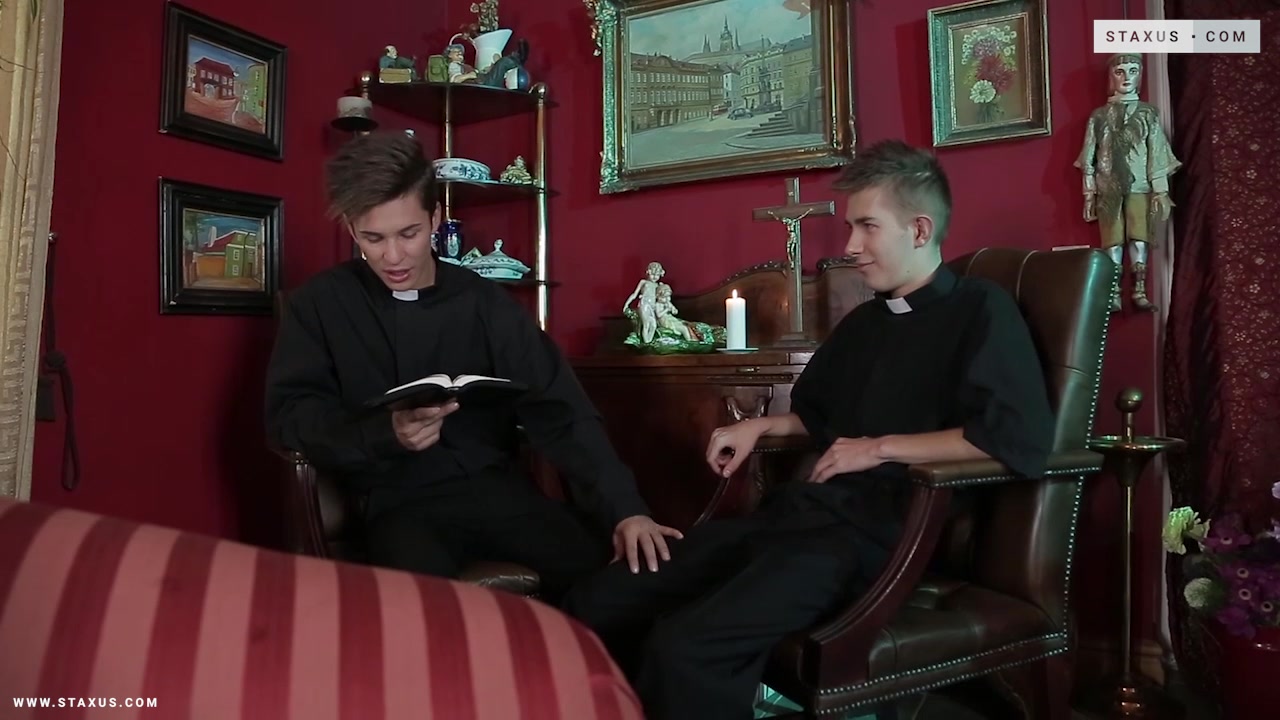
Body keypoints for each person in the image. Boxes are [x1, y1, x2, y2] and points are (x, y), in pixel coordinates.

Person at [561, 140, 1056, 719]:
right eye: (851, 227)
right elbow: (821, 417)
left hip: (872, 539)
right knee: (600, 599)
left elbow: (1011, 438)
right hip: (796, 517)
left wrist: (878, 449)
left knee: (687, 649)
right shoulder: (866, 322)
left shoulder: (981, 310)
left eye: (868, 227)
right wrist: (760, 427)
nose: (851, 246)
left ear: (920, 230)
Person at [264, 131, 681, 602]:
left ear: (435, 219)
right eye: (373, 238)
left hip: (496, 492)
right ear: (351, 228)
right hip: (396, 504)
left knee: (618, 577)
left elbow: (562, 410)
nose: (393, 256)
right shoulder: (319, 305)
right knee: (422, 607)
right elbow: (289, 418)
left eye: (408, 234)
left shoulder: (485, 303)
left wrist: (626, 510)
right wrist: (385, 433)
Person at [1076, 52, 1180, 312]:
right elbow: (1089, 155)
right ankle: (1114, 292)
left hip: (1140, 186)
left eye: (1133, 71)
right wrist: (1089, 194)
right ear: (1111, 76)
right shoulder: (1099, 116)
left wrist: (1160, 191)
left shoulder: (1147, 114)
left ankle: (1139, 289)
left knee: (1139, 237)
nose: (1126, 77)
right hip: (1108, 187)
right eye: (1120, 72)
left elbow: (1157, 153)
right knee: (1112, 241)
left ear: (1140, 75)